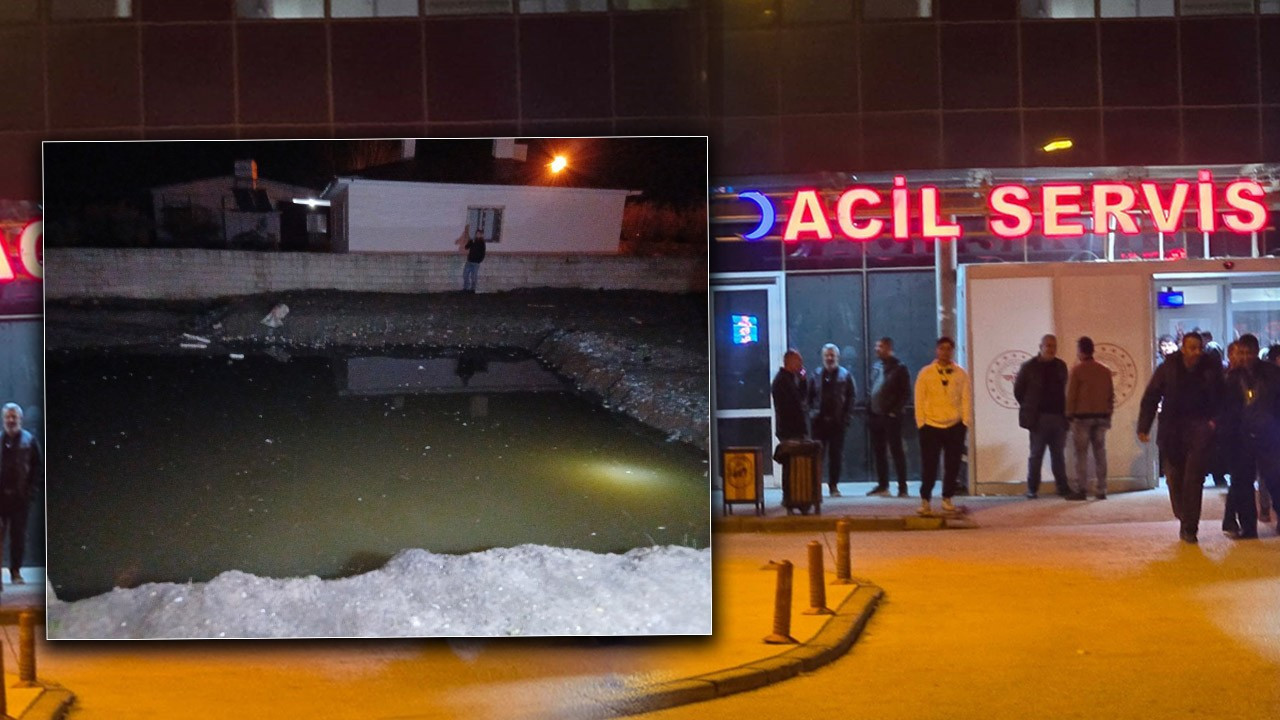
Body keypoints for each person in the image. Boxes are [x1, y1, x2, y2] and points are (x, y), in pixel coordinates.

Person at [1137, 332, 1224, 544]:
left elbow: (1223, 397)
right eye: (1191, 348)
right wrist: (1144, 426)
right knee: (1174, 478)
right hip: (1171, 430)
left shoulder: (1211, 368)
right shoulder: (1168, 367)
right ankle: (1183, 515)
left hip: (1199, 428)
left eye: (1198, 348)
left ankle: (1190, 528)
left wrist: (1214, 422)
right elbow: (1151, 396)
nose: (1195, 352)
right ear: (1182, 348)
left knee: (1193, 479)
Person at [1220, 334, 1280, 539]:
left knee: (1275, 480)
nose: (1246, 357)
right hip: (1241, 436)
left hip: (1268, 434)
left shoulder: (1272, 373)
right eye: (1242, 353)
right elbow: (1226, 409)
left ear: (1256, 352)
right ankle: (1248, 527)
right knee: (1243, 483)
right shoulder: (1232, 377)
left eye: (1249, 353)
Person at [914, 337, 971, 516]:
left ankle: (947, 498)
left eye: (948, 349)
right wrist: (921, 423)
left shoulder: (961, 374)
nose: (945, 352)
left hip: (954, 425)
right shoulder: (926, 373)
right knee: (929, 464)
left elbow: (966, 398)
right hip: (930, 425)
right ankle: (925, 500)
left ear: (952, 351)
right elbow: (919, 398)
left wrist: (965, 422)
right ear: (936, 350)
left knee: (952, 464)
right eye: (941, 348)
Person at [1013, 334, 1070, 499]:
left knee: (1058, 455)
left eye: (1054, 346)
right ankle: (1032, 489)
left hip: (1059, 418)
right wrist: (1030, 409)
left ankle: (1063, 487)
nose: (1051, 349)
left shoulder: (1061, 366)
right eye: (1048, 345)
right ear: (1040, 347)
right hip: (1038, 419)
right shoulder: (1028, 367)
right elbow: (1019, 391)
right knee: (1036, 455)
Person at [1066, 336, 1114, 501]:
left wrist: (1069, 415)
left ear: (1080, 351)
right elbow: (1110, 396)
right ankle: (1102, 489)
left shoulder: (1077, 371)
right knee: (1100, 453)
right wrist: (1108, 414)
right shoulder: (1105, 370)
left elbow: (1071, 396)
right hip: (1101, 417)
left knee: (1081, 455)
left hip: (1082, 418)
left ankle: (1082, 489)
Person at [807, 344, 855, 498]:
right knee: (817, 456)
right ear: (822, 357)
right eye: (827, 355)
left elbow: (851, 397)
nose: (829, 358)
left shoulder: (845, 375)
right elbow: (809, 397)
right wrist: (812, 414)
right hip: (819, 423)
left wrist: (846, 417)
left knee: (836, 456)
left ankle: (833, 486)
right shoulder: (815, 374)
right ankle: (815, 486)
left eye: (832, 355)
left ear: (837, 357)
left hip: (837, 423)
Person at [0, 403, 40, 586]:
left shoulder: (30, 441)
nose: (10, 420)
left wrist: (31, 491)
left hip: (20, 498)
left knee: (18, 536)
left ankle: (15, 571)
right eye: (8, 416)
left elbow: (37, 467)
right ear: (3, 419)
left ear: (20, 419)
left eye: (13, 416)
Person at [868, 337, 911, 497]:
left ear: (888, 348)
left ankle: (902, 487)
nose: (876, 349)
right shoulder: (876, 366)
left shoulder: (899, 368)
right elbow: (872, 387)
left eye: (879, 347)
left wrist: (894, 411)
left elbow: (905, 393)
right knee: (879, 452)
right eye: (876, 346)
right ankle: (882, 485)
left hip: (891, 417)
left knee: (896, 451)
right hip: (876, 415)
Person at [771, 349, 809, 442]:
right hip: (789, 431)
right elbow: (793, 405)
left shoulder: (790, 380)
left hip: (794, 430)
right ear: (790, 362)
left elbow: (800, 398)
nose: (801, 365)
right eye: (799, 361)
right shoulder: (782, 381)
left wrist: (802, 382)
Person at [461, 226, 486, 293]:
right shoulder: (472, 241)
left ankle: (472, 289)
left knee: (473, 276)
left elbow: (483, 253)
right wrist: (470, 242)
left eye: (479, 234)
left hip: (476, 263)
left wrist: (479, 260)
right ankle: (466, 288)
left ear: (481, 235)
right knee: (465, 275)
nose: (477, 235)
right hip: (469, 261)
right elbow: (466, 247)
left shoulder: (482, 243)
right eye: (476, 233)